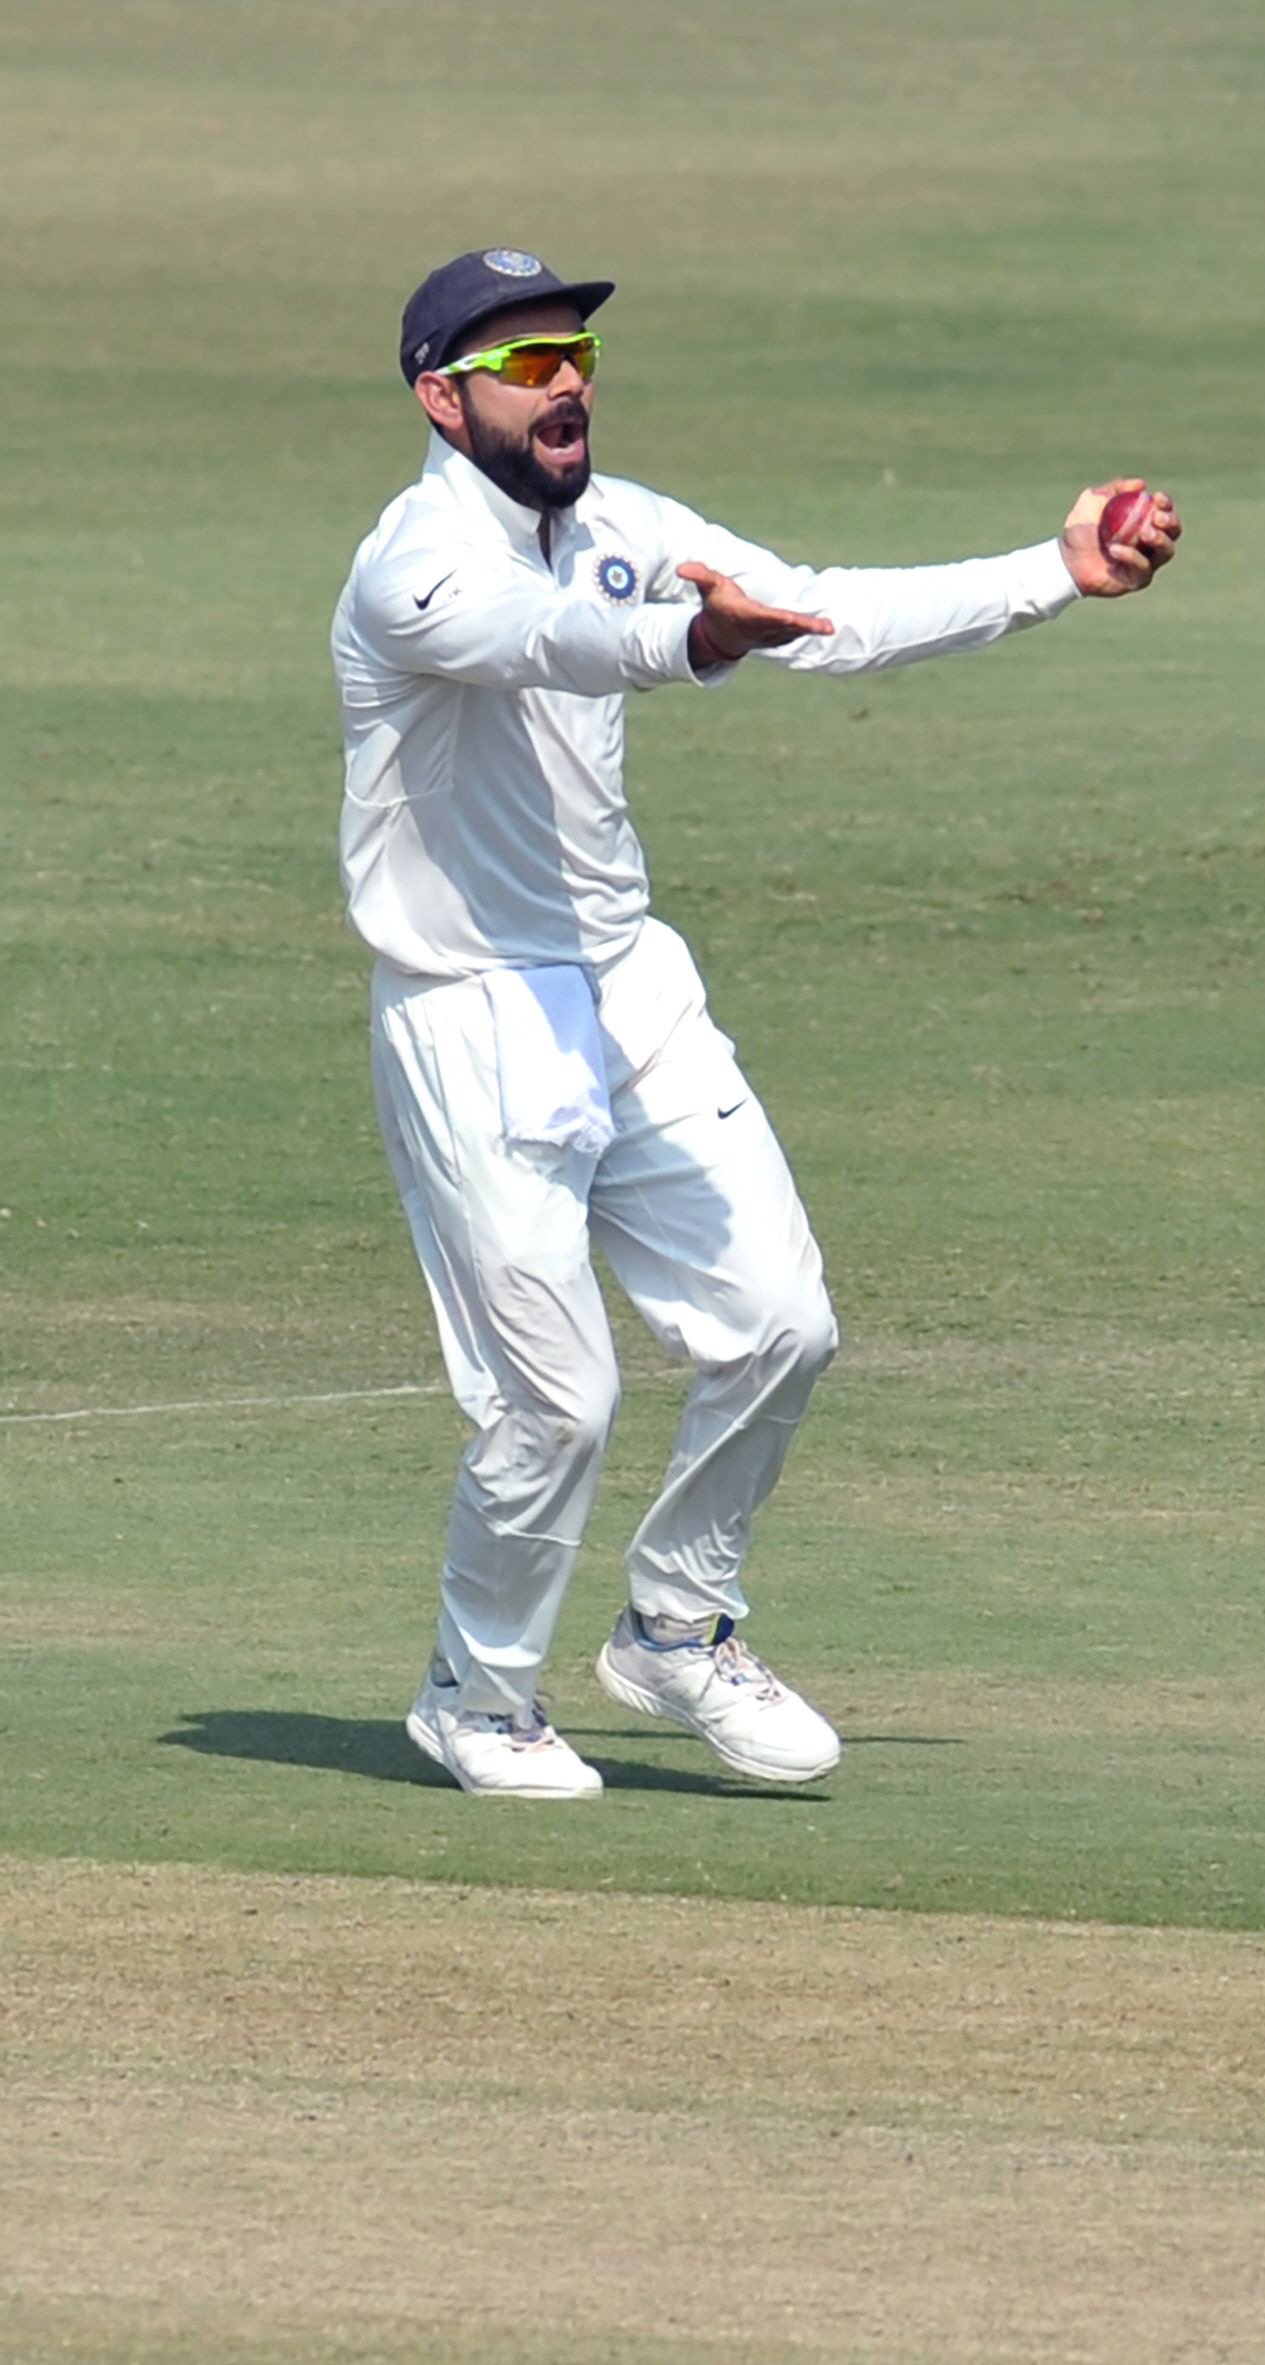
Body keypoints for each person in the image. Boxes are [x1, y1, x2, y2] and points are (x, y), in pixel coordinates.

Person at [335, 247, 1181, 1798]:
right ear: (439, 398)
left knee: (784, 1323)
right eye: (526, 366)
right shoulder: (413, 565)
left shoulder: (627, 524)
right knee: (557, 1401)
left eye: (576, 351)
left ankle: (674, 1624)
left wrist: (1056, 571)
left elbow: (817, 610)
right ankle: (477, 1693)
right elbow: (550, 642)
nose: (568, 381)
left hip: (625, 984)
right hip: (470, 1008)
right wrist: (692, 643)